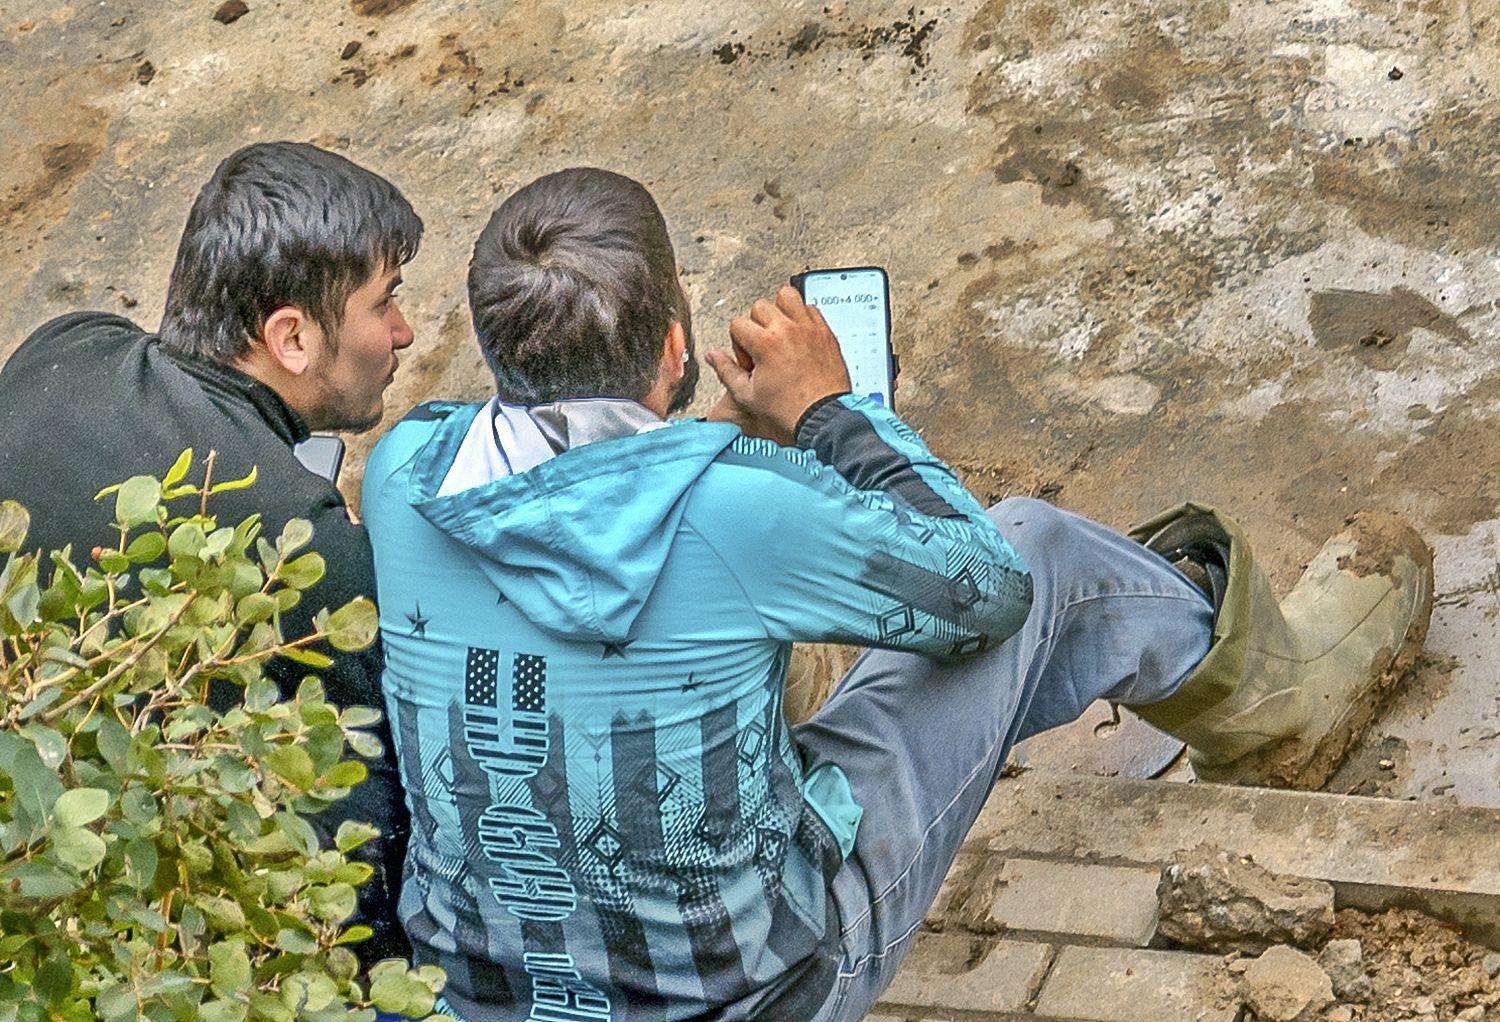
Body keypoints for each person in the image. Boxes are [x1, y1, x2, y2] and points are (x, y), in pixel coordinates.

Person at [361, 167, 1433, 1020]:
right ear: (678, 343)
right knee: (1041, 547)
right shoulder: (745, 510)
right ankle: (1279, 700)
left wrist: (715, 455)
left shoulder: (407, 472)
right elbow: (987, 590)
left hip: (483, 996)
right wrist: (837, 415)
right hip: (760, 991)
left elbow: (586, 506)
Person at [0, 141, 422, 964]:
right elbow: (362, 845)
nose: (403, 333)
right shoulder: (305, 550)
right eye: (384, 303)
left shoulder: (65, 345)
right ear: (290, 337)